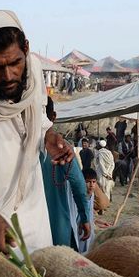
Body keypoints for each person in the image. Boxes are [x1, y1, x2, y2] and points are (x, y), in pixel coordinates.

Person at [0, 10, 72, 254]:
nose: (8, 76)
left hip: (36, 216)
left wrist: (48, 136)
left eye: (15, 63)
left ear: (26, 49)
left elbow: (38, 115)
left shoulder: (33, 72)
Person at [40, 96, 91, 251]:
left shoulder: (17, 147)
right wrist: (85, 217)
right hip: (57, 229)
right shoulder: (61, 147)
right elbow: (79, 185)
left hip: (22, 231)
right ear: (53, 116)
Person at [79, 168, 98, 253]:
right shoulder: (78, 197)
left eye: (94, 182)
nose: (91, 185)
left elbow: (89, 213)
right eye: (88, 182)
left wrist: (97, 222)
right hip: (80, 230)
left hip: (90, 229)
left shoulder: (91, 195)